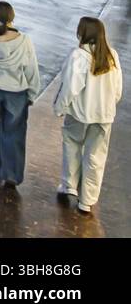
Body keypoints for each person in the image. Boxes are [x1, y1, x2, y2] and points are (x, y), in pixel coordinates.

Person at [53, 17, 122, 214]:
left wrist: (59, 108)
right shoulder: (112, 56)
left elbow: (70, 89)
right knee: (96, 157)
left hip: (79, 115)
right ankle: (87, 201)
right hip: (104, 117)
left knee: (72, 147)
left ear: (82, 32)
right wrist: (107, 107)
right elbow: (117, 91)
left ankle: (69, 186)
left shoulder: (79, 56)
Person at [0, 1, 41, 188]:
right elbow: (31, 69)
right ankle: (11, 174)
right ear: (12, 16)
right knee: (14, 132)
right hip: (16, 91)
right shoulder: (23, 40)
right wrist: (32, 93)